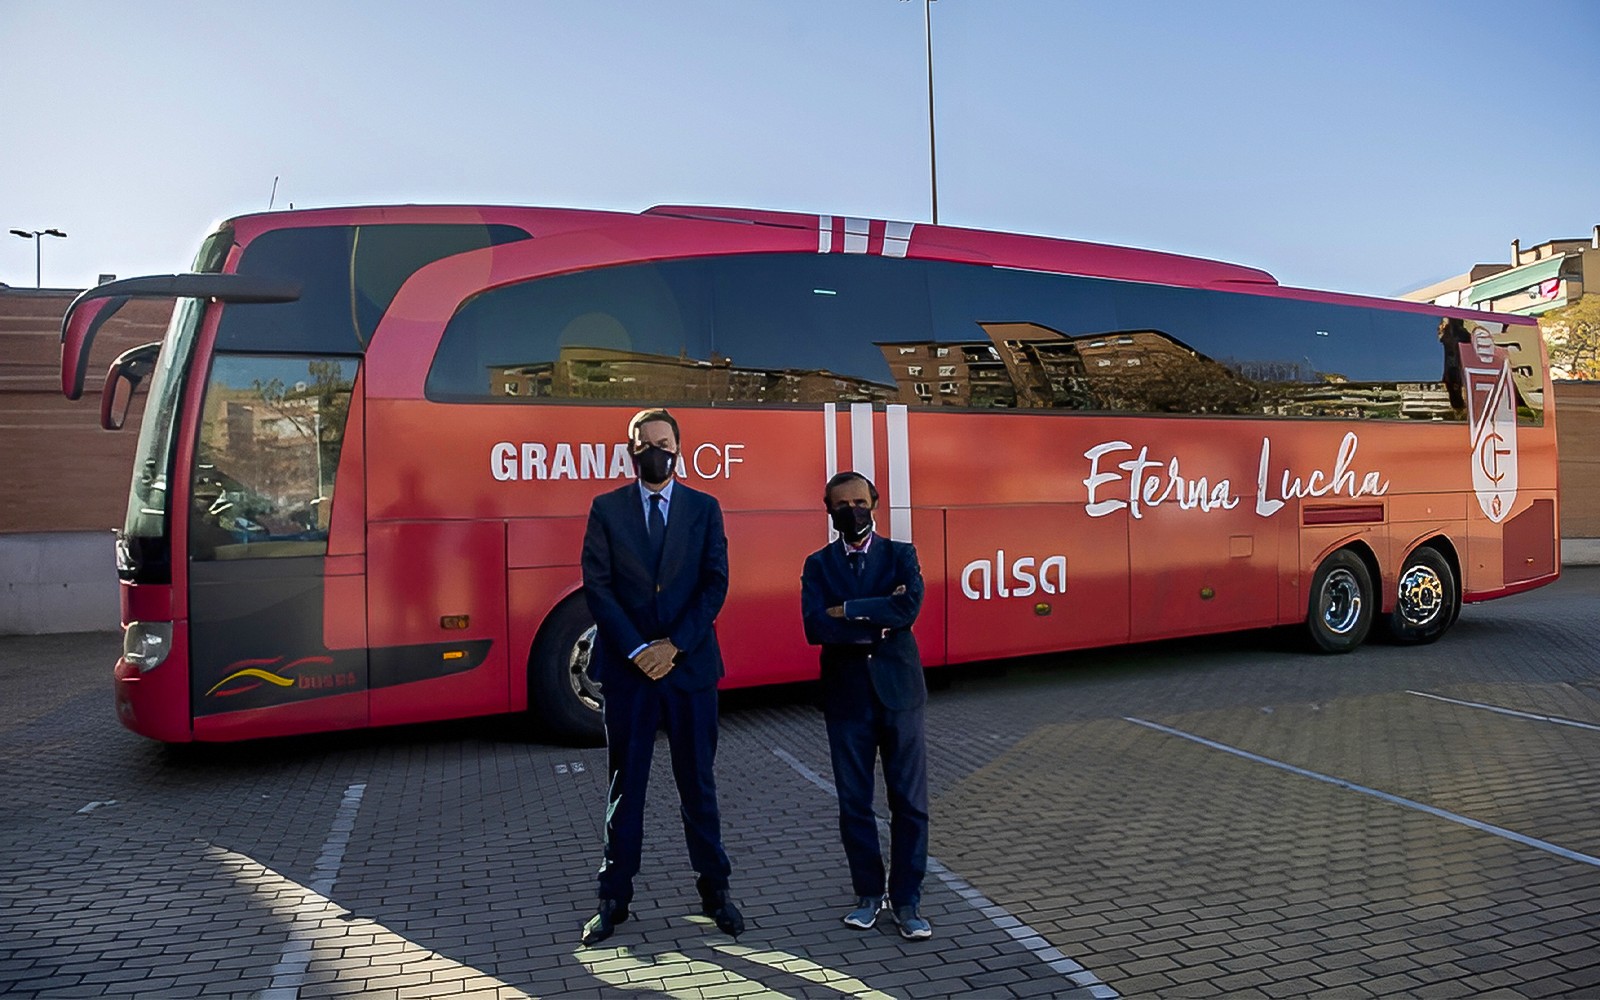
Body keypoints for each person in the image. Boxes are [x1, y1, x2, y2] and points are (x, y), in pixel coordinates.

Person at [578, 408, 743, 946]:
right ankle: (614, 897)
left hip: (689, 669)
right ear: (631, 451)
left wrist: (673, 646)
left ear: (679, 447)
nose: (655, 450)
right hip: (629, 674)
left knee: (698, 783)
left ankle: (715, 890)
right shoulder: (606, 510)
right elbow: (598, 587)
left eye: (664, 442)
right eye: (644, 443)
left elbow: (715, 583)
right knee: (626, 786)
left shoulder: (704, 508)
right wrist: (637, 648)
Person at [800, 471, 933, 940]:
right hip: (846, 698)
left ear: (874, 503)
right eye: (842, 504)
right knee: (855, 804)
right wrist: (877, 612)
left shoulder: (902, 554)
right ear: (829, 510)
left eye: (859, 501)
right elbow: (815, 627)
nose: (852, 510)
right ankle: (868, 895)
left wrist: (848, 609)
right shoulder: (818, 565)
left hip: (899, 694)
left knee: (909, 804)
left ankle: (908, 900)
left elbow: (908, 610)